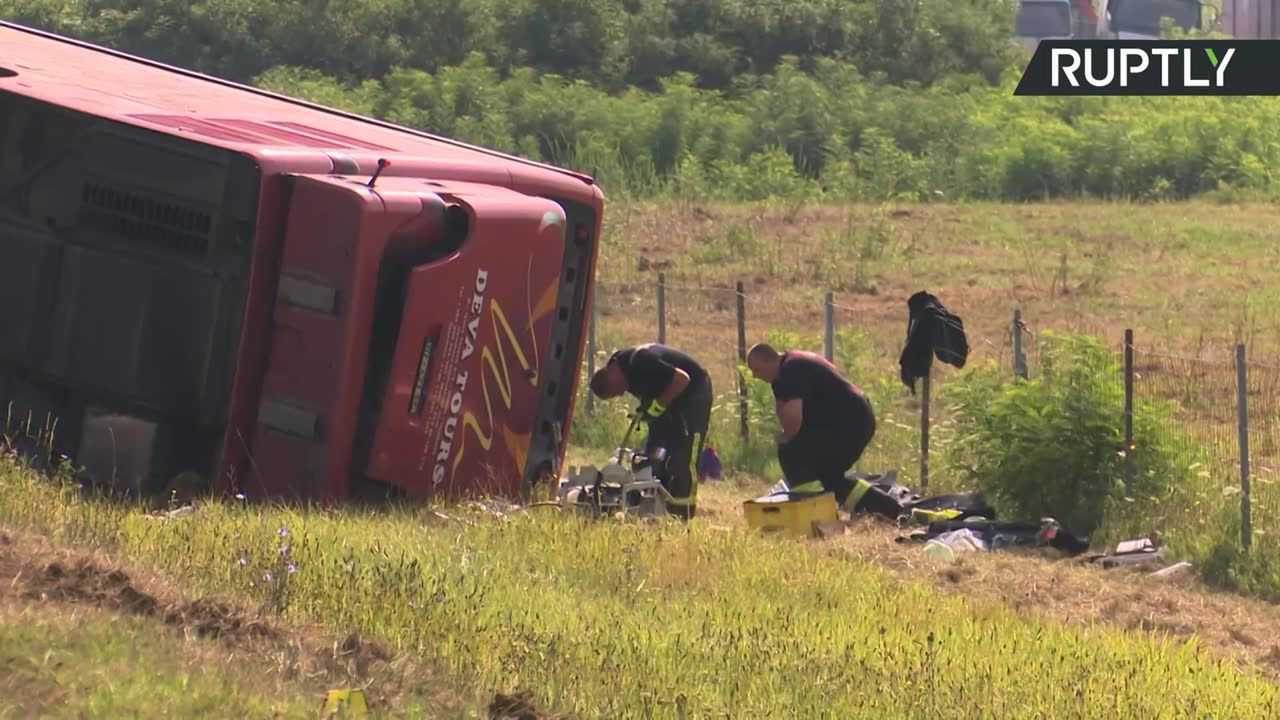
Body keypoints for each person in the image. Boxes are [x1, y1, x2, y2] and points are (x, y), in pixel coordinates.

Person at [589, 343, 713, 520]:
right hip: (672, 398)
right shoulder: (621, 367)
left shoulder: (642, 362)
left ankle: (681, 514)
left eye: (618, 390)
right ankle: (656, 506)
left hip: (694, 392)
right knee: (654, 452)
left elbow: (682, 379)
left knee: (684, 456)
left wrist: (656, 407)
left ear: (613, 374)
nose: (623, 393)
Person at [745, 343, 876, 509]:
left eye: (757, 369)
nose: (755, 376)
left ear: (769, 361)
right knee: (828, 476)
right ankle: (884, 508)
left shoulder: (791, 371)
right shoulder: (784, 370)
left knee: (791, 452)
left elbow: (793, 419)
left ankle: (808, 506)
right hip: (849, 420)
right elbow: (782, 410)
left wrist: (785, 439)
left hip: (851, 423)